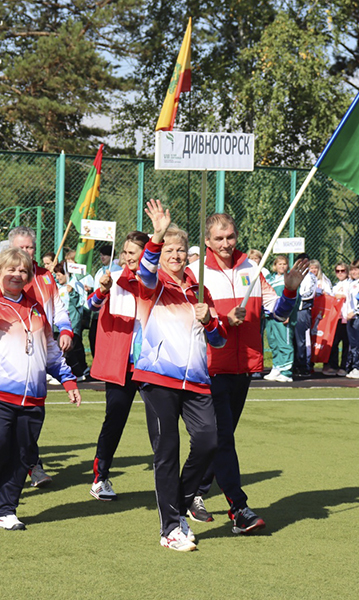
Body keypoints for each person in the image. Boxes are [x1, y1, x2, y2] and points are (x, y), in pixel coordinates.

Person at [0, 247, 81, 530]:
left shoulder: (35, 308)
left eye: (23, 270)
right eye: (11, 269)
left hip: (31, 396)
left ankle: (5, 510)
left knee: (22, 453)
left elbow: (49, 350)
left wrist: (68, 379)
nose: (17, 274)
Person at [188, 213, 304, 532]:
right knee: (222, 438)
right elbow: (192, 321)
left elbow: (278, 313)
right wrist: (224, 319)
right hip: (209, 368)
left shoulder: (253, 270)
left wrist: (290, 291)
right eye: (219, 238)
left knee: (218, 440)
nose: (226, 244)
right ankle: (239, 509)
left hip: (244, 368)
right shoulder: (195, 274)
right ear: (208, 241)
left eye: (231, 236)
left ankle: (194, 492)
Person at [133, 200, 226, 552]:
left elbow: (218, 338)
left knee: (209, 441)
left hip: (197, 381)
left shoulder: (199, 290)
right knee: (167, 451)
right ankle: (170, 527)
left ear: (189, 255)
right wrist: (156, 236)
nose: (176, 254)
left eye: (181, 250)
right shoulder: (151, 284)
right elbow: (145, 268)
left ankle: (183, 497)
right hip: (158, 379)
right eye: (169, 249)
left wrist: (210, 320)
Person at [9, 225, 74, 487]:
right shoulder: (3, 277)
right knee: (7, 417)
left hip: (41, 352)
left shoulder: (46, 276)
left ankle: (30, 463)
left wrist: (66, 329)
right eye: (21, 247)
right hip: (11, 355)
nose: (25, 252)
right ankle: (22, 467)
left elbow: (58, 308)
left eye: (30, 247)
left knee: (32, 416)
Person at [87, 231, 149, 501]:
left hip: (152, 364)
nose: (127, 257)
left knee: (163, 423)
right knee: (115, 419)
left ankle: (172, 483)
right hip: (121, 364)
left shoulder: (156, 281)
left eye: (133, 252)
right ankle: (100, 477)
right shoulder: (112, 278)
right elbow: (91, 305)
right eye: (124, 252)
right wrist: (101, 289)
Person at [52, 262, 88, 378]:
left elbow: (80, 303)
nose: (57, 278)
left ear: (65, 274)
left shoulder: (76, 285)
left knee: (68, 349)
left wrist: (72, 294)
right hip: (59, 324)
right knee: (67, 349)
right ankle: (80, 372)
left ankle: (75, 373)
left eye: (59, 275)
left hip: (72, 322)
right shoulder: (58, 287)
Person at [264, 255, 295, 383]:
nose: (282, 266)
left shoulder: (289, 279)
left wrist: (288, 314)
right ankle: (277, 366)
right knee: (273, 342)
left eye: (284, 264)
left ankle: (286, 372)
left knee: (284, 342)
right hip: (270, 315)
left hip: (282, 316)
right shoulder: (269, 279)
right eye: (279, 264)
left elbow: (294, 298)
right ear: (275, 265)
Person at [88, 245, 122, 360]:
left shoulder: (117, 269)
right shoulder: (99, 271)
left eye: (105, 255)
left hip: (110, 309)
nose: (102, 257)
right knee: (92, 336)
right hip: (97, 310)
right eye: (101, 255)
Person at [293, 252, 317, 378]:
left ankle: (303, 366)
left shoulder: (311, 277)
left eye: (306, 262)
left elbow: (309, 294)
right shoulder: (293, 275)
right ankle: (293, 365)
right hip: (292, 311)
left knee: (301, 339)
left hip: (302, 311)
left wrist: (296, 300)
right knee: (291, 339)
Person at [324, 262, 350, 376]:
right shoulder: (335, 286)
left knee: (347, 343)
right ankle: (333, 365)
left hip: (347, 317)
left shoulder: (350, 284)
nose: (340, 273)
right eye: (338, 271)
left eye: (343, 270)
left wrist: (344, 296)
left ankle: (344, 366)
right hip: (336, 318)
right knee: (333, 343)